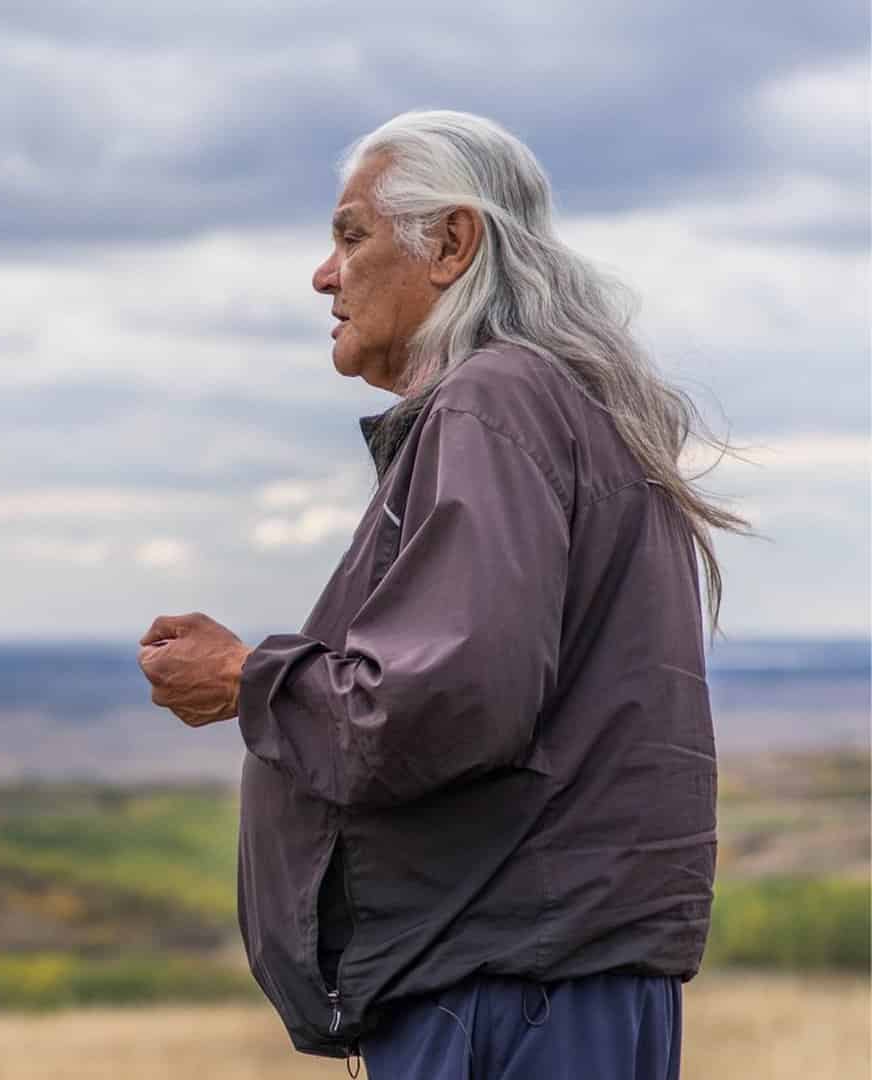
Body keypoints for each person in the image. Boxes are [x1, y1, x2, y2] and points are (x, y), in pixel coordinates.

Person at [136, 110, 748, 1079]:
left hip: (505, 990)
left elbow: (443, 701)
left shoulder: (494, 397)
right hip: (555, 976)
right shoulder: (575, 406)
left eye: (351, 235)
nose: (323, 275)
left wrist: (247, 677)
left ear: (453, 243)